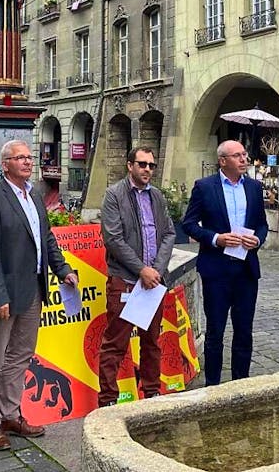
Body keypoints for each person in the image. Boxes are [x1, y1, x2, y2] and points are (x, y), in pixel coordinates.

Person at [0, 139, 79, 450]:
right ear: (5, 164)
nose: (27, 162)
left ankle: (10, 413)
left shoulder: (33, 194)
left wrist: (62, 270)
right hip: (6, 293)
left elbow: (45, 238)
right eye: (19, 158)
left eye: (29, 157)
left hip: (34, 288)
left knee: (20, 356)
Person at [181, 140, 269, 386]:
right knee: (215, 332)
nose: (244, 159)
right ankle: (213, 387)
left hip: (246, 270)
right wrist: (216, 238)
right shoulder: (205, 187)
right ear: (223, 161)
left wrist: (258, 239)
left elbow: (262, 224)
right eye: (237, 155)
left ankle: (241, 384)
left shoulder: (253, 187)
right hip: (217, 271)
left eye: (245, 154)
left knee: (244, 331)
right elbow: (188, 224)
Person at [98, 147, 176, 407]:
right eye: (142, 164)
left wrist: (157, 270)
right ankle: (108, 399)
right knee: (115, 343)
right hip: (126, 280)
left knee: (152, 341)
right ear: (129, 165)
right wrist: (141, 270)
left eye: (152, 166)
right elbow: (113, 239)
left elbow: (168, 234)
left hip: (153, 281)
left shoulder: (157, 197)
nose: (147, 170)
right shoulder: (114, 195)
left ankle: (152, 394)